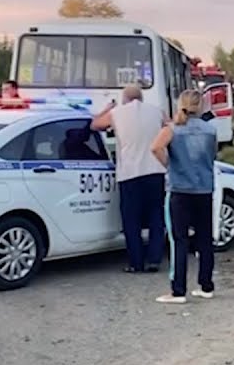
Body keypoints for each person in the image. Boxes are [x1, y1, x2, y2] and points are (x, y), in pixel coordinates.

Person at [91, 85, 168, 273]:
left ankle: (136, 262)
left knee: (131, 219)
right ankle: (154, 260)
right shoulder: (157, 111)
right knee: (156, 216)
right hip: (155, 171)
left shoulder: (117, 113)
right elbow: (170, 126)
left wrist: (108, 108)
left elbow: (95, 125)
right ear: (141, 98)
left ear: (124, 98)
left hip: (130, 173)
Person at [150, 89, 218, 303]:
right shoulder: (210, 130)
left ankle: (178, 290)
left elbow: (155, 147)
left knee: (178, 240)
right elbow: (213, 154)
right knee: (204, 239)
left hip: (180, 189)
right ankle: (206, 285)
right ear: (202, 105)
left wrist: (169, 165)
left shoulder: (173, 129)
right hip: (204, 189)